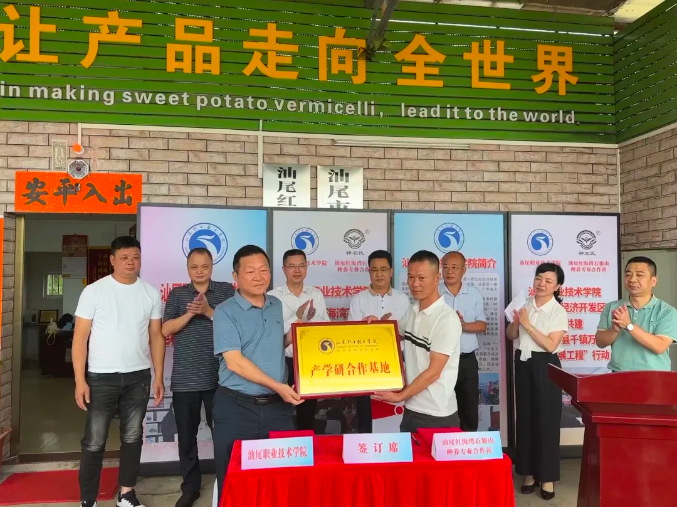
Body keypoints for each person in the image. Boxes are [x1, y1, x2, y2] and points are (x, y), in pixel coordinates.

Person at [73, 236, 165, 507]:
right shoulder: (94, 291)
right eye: (124, 258)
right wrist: (80, 380)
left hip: (138, 376)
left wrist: (159, 375)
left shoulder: (150, 293)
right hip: (101, 377)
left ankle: (126, 494)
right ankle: (88, 500)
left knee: (133, 437)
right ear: (112, 260)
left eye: (135, 257)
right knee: (94, 441)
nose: (130, 263)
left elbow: (156, 336)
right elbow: (80, 338)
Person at [212, 245, 303, 500]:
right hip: (237, 409)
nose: (258, 276)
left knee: (282, 479)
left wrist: (297, 334)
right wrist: (278, 386)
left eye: (263, 270)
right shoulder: (225, 311)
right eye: (250, 271)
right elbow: (234, 362)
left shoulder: (275, 304)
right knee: (234, 481)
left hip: (277, 408)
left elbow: (273, 344)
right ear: (236, 276)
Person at [162, 247, 235, 507]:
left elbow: (237, 323)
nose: (200, 271)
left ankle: (227, 483)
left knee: (223, 436)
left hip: (221, 378)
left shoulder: (226, 291)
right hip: (185, 379)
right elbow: (165, 329)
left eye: (204, 266)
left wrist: (208, 311)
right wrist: (191, 312)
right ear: (188, 269)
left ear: (212, 266)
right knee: (186, 437)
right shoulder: (178, 294)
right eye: (194, 267)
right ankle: (190, 487)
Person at [372, 250, 462, 432]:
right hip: (412, 408)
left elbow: (434, 372)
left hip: (436, 414)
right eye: (411, 277)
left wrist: (399, 396)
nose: (414, 284)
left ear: (437, 278)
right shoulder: (412, 311)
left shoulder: (446, 319)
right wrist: (374, 326)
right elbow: (392, 336)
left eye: (421, 278)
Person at [507, 263, 568, 501]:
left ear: (557, 286)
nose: (541, 284)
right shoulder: (524, 304)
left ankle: (548, 477)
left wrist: (528, 325)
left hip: (546, 365)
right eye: (539, 278)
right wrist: (516, 322)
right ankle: (529, 473)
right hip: (523, 362)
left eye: (548, 281)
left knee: (547, 421)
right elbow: (511, 335)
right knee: (525, 419)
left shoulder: (558, 311)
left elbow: (551, 345)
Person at [348, 250, 410, 433]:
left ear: (391, 271)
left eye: (384, 269)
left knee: (395, 416)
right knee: (367, 418)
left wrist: (386, 331)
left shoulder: (402, 299)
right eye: (375, 269)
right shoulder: (359, 300)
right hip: (367, 368)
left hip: (396, 366)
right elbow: (352, 337)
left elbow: (409, 333)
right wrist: (373, 329)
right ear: (369, 271)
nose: (379, 274)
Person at [268, 248, 330, 431]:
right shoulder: (273, 297)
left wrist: (310, 321)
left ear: (306, 268)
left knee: (307, 413)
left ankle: (305, 444)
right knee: (280, 412)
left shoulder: (316, 294)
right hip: (282, 362)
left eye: (301, 266)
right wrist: (298, 317)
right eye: (292, 266)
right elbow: (273, 333)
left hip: (309, 362)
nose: (297, 270)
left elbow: (325, 328)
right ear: (284, 269)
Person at [595, 256, 677, 372]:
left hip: (655, 377)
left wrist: (629, 325)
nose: (632, 279)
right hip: (618, 375)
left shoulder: (666, 311)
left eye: (639, 275)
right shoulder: (611, 307)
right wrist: (614, 329)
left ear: (653, 281)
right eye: (628, 274)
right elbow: (600, 342)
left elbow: (659, 346)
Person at [440, 251, 487, 432]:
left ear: (464, 270)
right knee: (442, 408)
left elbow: (482, 325)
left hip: (466, 360)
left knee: (469, 409)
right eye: (445, 267)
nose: (449, 271)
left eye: (455, 267)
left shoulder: (473, 294)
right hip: (441, 360)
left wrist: (462, 325)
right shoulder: (434, 293)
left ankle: (468, 447)